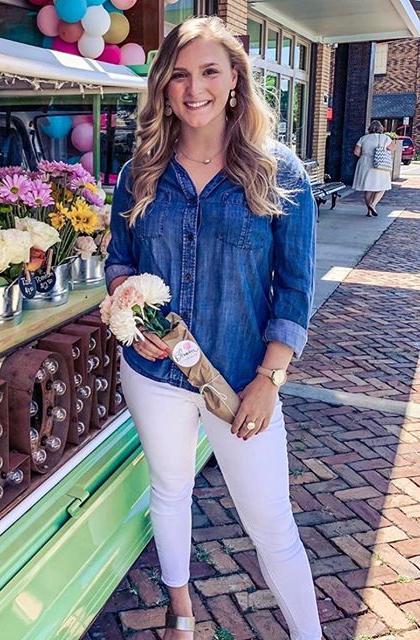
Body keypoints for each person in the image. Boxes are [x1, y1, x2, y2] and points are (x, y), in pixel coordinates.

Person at [105, 17, 321, 640]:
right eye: (179, 74)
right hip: (154, 373)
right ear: (163, 87)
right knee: (170, 489)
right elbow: (122, 259)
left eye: (208, 72)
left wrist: (270, 378)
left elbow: (295, 288)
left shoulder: (279, 173)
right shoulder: (141, 171)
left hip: (240, 378)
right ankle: (182, 613)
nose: (192, 88)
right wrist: (128, 308)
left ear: (234, 82)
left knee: (271, 520)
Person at [353, 120, 395, 216]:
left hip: (365, 163)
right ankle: (373, 204)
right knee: (383, 186)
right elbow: (392, 148)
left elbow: (356, 152)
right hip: (381, 164)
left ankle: (369, 211)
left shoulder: (363, 138)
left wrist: (365, 155)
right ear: (381, 128)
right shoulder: (385, 138)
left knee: (368, 188)